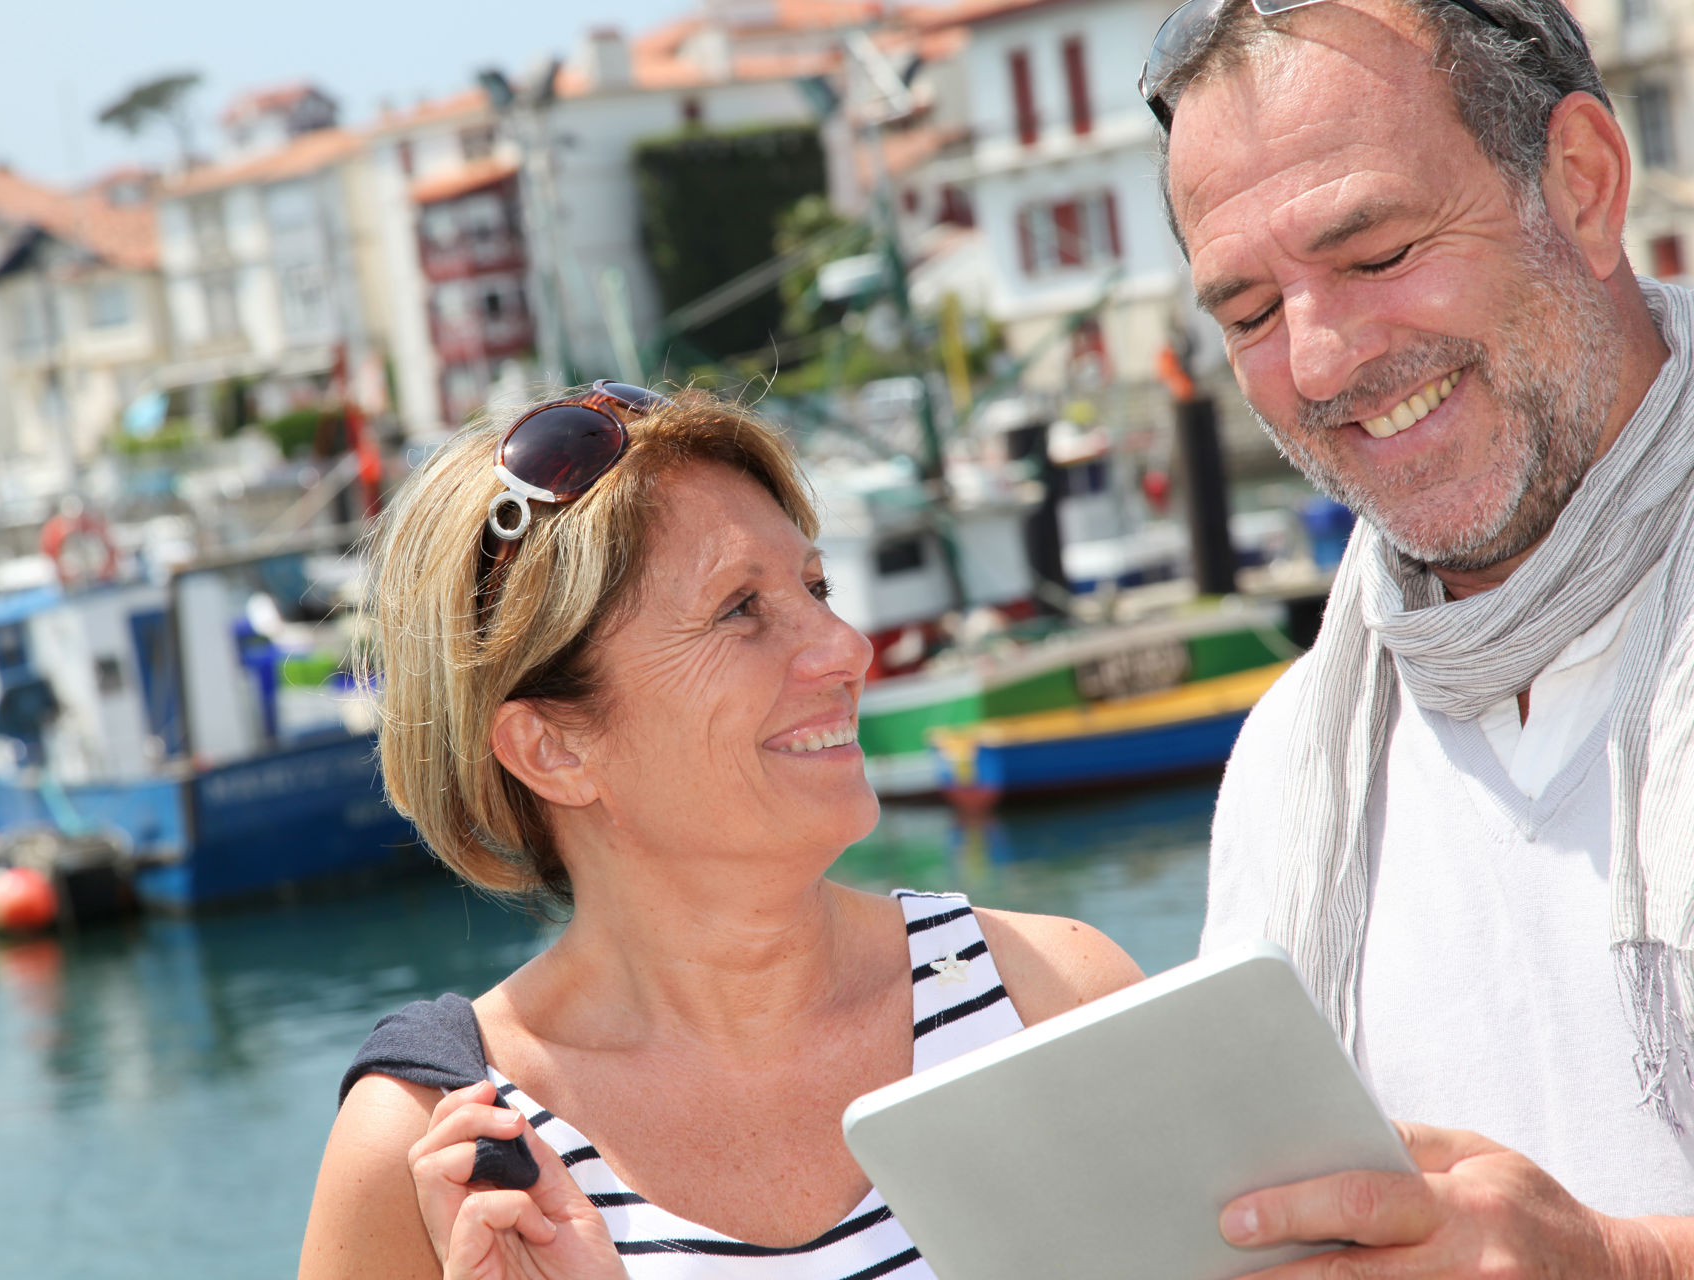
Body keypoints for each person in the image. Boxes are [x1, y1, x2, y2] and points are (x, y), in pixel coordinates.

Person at [296, 382, 1142, 1279]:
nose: (845, 648)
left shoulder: (1055, 1000)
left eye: (817, 586)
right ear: (550, 748)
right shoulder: (438, 1155)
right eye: (741, 609)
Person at [1149, 0, 1694, 1272]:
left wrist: (1625, 1261)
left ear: (1584, 185)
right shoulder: (1288, 764)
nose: (1324, 360)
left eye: (1379, 252)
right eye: (1248, 313)